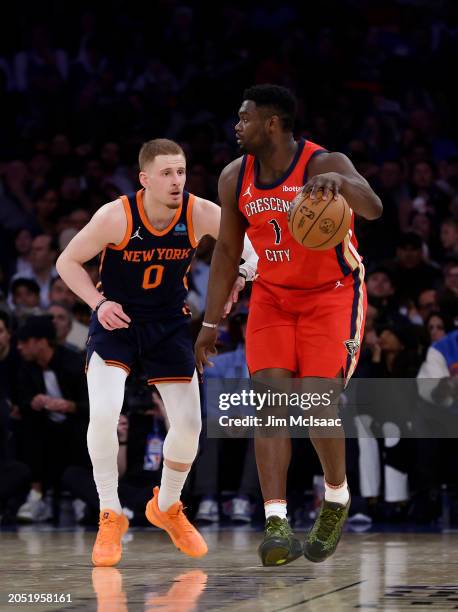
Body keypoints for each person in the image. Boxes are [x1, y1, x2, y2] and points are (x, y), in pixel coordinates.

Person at [195, 84, 382, 566]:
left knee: (316, 402)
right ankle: (275, 520)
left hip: (333, 295)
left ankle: (336, 498)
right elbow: (227, 254)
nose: (237, 126)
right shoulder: (234, 177)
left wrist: (341, 185)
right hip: (274, 299)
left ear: (272, 123)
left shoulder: (322, 163)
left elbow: (373, 206)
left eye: (245, 118)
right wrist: (210, 323)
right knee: (271, 402)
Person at [56, 138, 257, 566]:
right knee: (106, 412)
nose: (176, 181)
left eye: (181, 171)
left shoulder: (199, 211)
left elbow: (250, 247)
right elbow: (67, 262)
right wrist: (98, 303)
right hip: (118, 321)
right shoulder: (116, 215)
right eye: (166, 173)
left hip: (168, 323)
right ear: (144, 179)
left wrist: (239, 276)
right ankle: (109, 512)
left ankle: (166, 506)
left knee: (189, 427)